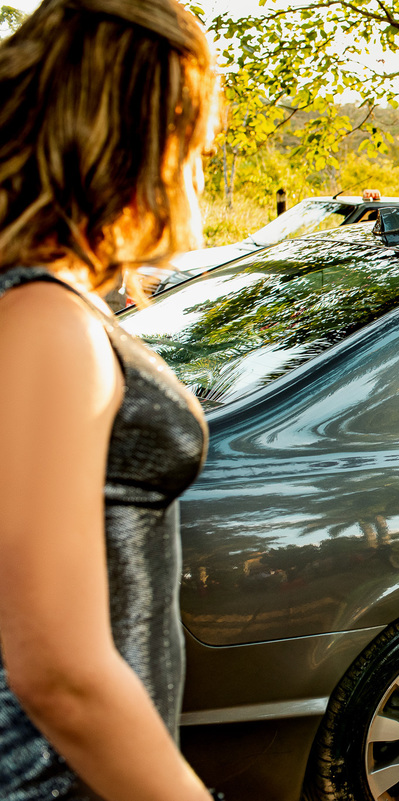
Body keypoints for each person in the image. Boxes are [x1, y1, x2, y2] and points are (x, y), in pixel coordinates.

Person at [0, 1, 218, 799]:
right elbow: (60, 670)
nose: (194, 168)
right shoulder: (44, 319)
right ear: (139, 135)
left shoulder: (43, 302)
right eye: (192, 138)